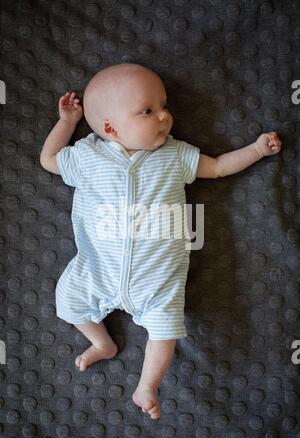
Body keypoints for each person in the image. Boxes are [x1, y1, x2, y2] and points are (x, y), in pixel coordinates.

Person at [40, 63, 282, 419]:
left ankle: (147, 385)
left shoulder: (174, 154)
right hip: (97, 268)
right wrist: (66, 124)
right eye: (148, 111)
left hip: (157, 277)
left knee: (166, 329)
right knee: (67, 299)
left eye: (164, 106)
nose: (165, 116)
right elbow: (48, 160)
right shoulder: (87, 157)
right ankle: (101, 342)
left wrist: (256, 150)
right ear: (110, 127)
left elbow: (216, 167)